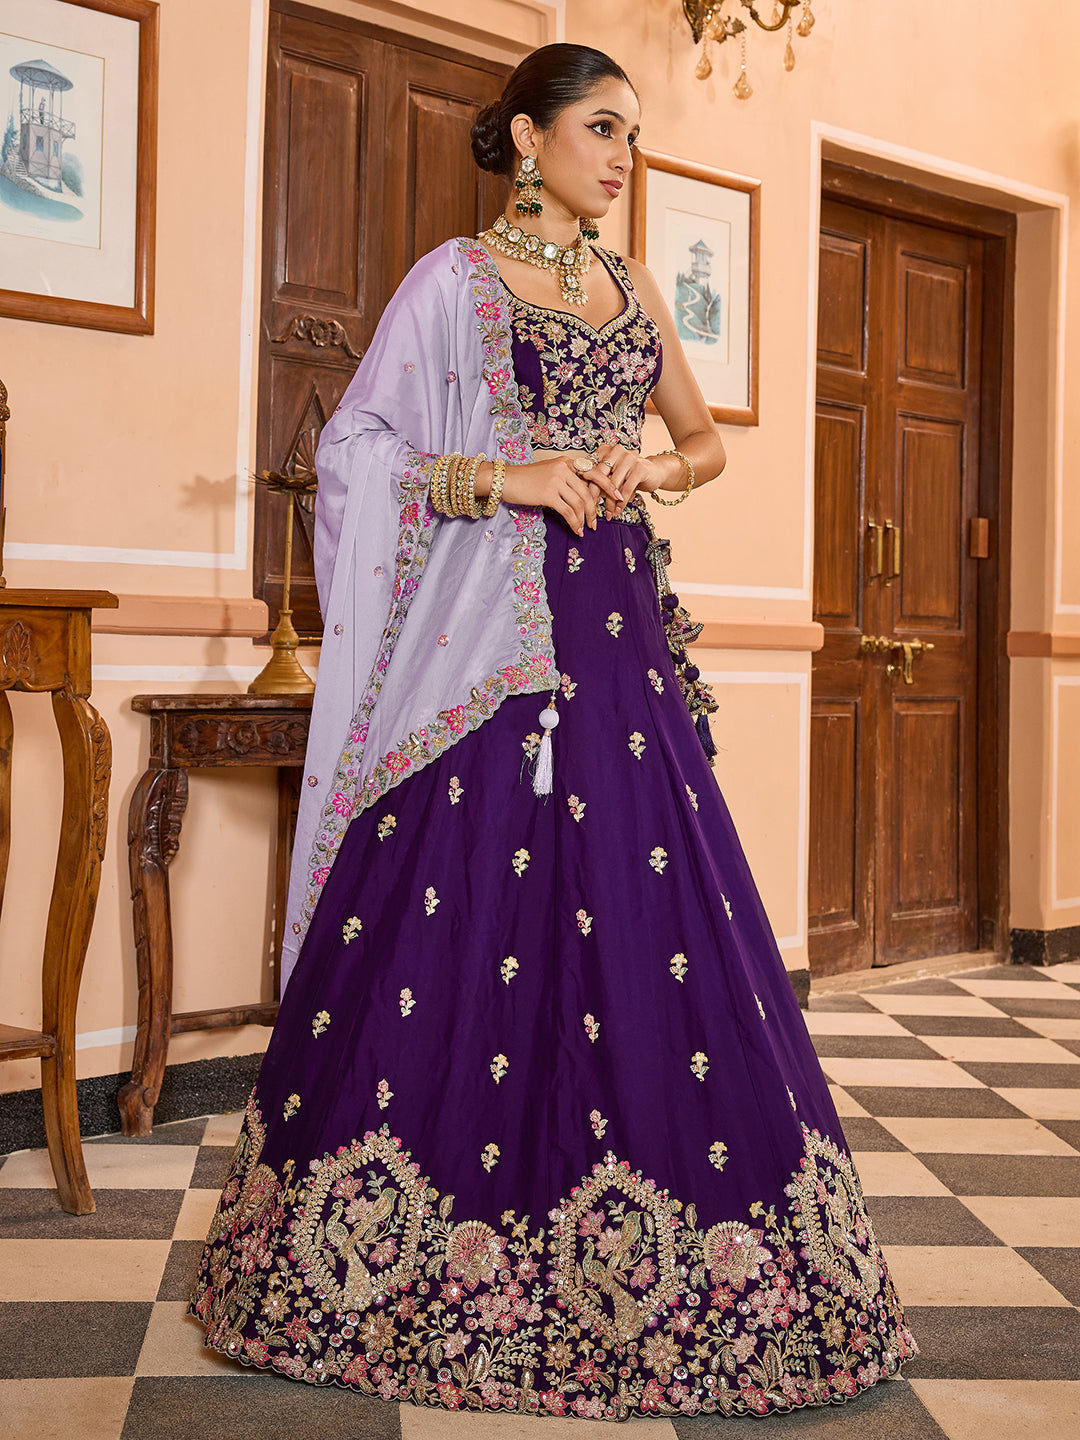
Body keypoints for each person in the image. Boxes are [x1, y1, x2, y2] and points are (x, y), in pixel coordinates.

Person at [190, 42, 916, 1421]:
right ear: (528, 137)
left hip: (617, 637)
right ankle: (405, 1264)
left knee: (647, 908)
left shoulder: (632, 287)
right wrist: (510, 474)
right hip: (489, 647)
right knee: (464, 909)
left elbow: (705, 443)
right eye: (601, 128)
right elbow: (357, 452)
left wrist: (653, 464)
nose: (623, 156)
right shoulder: (454, 284)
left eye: (633, 133)